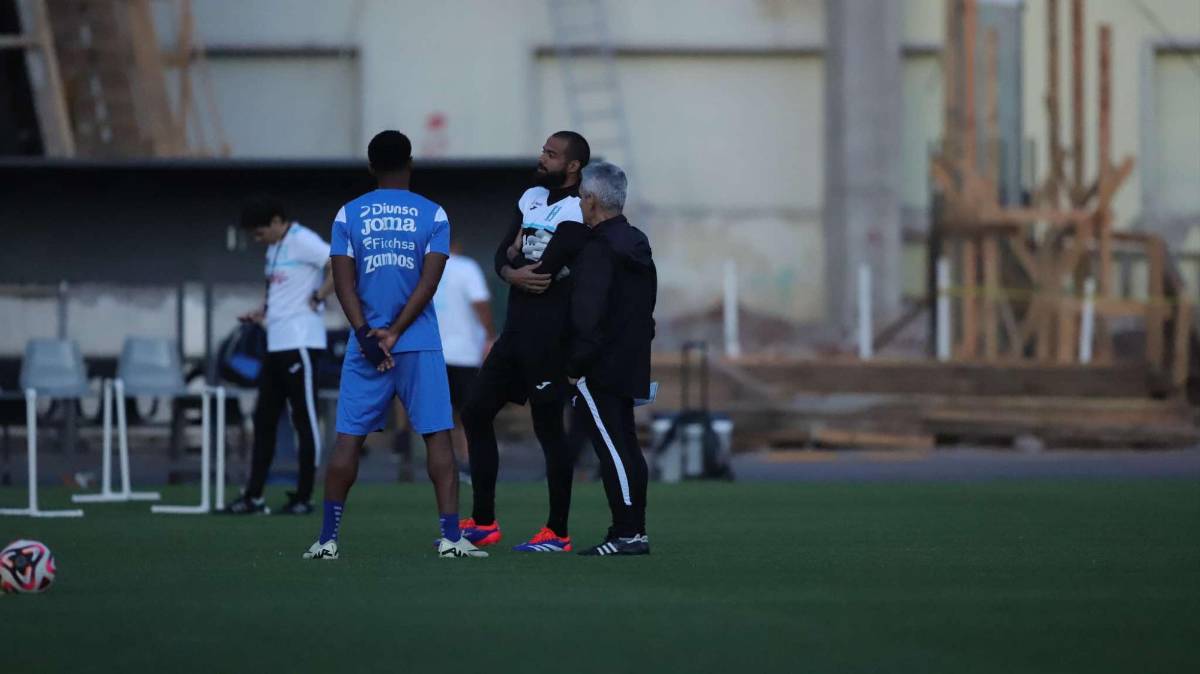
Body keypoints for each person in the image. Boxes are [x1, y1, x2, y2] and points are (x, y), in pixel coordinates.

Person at [302, 130, 485, 560]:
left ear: (370, 167)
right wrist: (398, 330)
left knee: (348, 441)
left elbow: (342, 282)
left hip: (366, 347)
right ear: (411, 163)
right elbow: (430, 280)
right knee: (438, 437)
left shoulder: (348, 214)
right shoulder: (434, 214)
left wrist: (367, 334)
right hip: (417, 342)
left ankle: (327, 540)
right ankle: (449, 538)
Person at [459, 131, 592, 553]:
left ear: (572, 166)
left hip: (549, 338)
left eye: (551, 155)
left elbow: (546, 269)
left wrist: (519, 264)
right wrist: (512, 269)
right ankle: (483, 522)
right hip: (515, 332)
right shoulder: (532, 195)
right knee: (476, 411)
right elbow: (504, 254)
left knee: (549, 431)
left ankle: (557, 531)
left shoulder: (579, 207)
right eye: (543, 151)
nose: (542, 158)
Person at [566, 162, 656, 556]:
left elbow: (588, 314)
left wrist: (574, 366)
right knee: (626, 447)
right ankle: (632, 529)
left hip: (598, 367)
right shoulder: (636, 241)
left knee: (613, 450)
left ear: (591, 201)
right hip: (631, 360)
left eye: (581, 197)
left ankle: (628, 533)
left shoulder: (597, 249)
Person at [227, 197, 334, 515]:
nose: (257, 240)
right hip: (275, 343)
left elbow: (341, 264)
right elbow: (280, 293)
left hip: (300, 343)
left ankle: (304, 496)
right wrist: (262, 313)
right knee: (264, 420)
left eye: (259, 233)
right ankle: (254, 496)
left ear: (277, 222)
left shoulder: (303, 240)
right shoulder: (274, 249)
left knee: (304, 419)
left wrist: (319, 295)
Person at [432, 238, 496, 474]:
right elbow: (480, 303)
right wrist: (490, 337)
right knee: (468, 414)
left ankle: (444, 463)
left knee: (439, 415)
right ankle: (470, 463)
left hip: (433, 353)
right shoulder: (466, 267)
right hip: (465, 352)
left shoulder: (424, 267)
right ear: (456, 246)